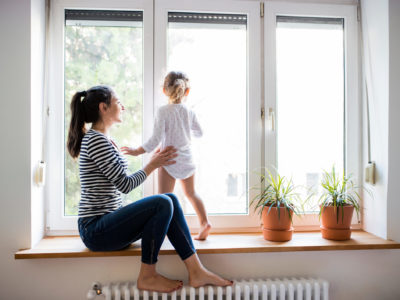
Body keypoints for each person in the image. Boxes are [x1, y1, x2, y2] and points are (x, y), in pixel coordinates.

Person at [67, 85, 232, 293]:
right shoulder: (96, 141)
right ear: (104, 107)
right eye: (118, 102)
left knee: (169, 198)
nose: (123, 107)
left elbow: (118, 182)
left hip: (106, 224)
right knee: (162, 202)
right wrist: (153, 164)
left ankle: (196, 271)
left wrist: (153, 162)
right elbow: (125, 185)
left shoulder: (104, 140)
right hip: (95, 230)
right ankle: (148, 275)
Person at [121, 71, 211, 240]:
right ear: (187, 91)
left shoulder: (163, 111)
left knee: (164, 200)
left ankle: (165, 232)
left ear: (164, 90)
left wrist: (136, 151)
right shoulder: (189, 112)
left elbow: (155, 140)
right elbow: (199, 133)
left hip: (168, 159)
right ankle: (205, 223)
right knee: (191, 193)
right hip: (187, 158)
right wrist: (185, 130)